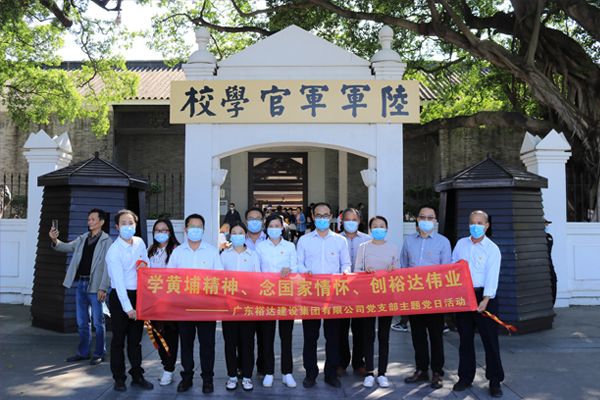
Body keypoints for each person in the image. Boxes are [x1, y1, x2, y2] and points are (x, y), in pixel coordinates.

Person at [297, 202, 351, 388]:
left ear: (331, 217)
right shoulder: (304, 240)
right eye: (318, 215)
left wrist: (345, 272)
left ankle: (331, 374)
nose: (322, 218)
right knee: (310, 337)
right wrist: (305, 271)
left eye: (325, 215)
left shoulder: (340, 240)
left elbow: (346, 264)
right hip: (310, 293)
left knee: (333, 336)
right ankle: (310, 374)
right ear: (312, 217)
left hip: (333, 293)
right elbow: (299, 263)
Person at [168, 213, 223, 394]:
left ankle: (208, 379)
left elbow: (219, 277)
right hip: (184, 308)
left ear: (203, 230)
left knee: (207, 345)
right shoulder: (178, 252)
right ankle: (187, 378)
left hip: (206, 307)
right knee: (186, 344)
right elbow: (169, 278)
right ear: (185, 229)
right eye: (192, 227)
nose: (195, 230)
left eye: (199, 227)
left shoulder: (211, 251)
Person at [452, 210, 504, 398]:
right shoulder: (461, 244)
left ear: (487, 226)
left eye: (480, 223)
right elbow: (453, 267)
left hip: (485, 297)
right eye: (473, 222)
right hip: (464, 295)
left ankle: (495, 380)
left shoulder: (492, 248)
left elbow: (492, 275)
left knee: (490, 340)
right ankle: (465, 377)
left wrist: (486, 299)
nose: (476, 226)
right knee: (465, 339)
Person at [49, 208, 112, 365]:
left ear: (101, 222)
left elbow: (108, 267)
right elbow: (66, 247)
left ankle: (99, 353)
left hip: (96, 286)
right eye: (88, 219)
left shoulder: (107, 241)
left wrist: (103, 288)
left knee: (98, 323)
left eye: (92, 219)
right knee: (82, 322)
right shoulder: (83, 238)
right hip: (81, 284)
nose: (89, 221)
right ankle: (83, 352)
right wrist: (55, 240)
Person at [401, 205, 451, 389]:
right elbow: (403, 267)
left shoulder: (443, 242)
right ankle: (421, 369)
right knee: (417, 335)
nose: (426, 220)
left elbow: (446, 271)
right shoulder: (408, 241)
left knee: (436, 336)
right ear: (417, 219)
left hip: (434, 298)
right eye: (423, 217)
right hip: (414, 297)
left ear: (435, 221)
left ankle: (437, 372)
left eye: (430, 218)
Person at [105, 209, 153, 392]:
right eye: (123, 223)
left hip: (138, 295)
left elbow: (146, 263)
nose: (128, 226)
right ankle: (119, 378)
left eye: (130, 223)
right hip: (120, 299)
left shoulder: (139, 242)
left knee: (135, 340)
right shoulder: (114, 251)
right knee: (118, 340)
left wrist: (144, 266)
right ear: (117, 227)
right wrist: (128, 308)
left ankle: (137, 375)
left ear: (135, 224)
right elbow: (118, 282)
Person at [356, 216, 399, 388]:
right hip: (367, 297)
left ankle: (382, 373)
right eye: (375, 226)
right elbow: (356, 270)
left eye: (382, 226)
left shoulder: (393, 247)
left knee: (384, 336)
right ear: (370, 229)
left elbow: (399, 271)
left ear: (386, 229)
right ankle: (369, 372)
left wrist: (393, 270)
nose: (379, 229)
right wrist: (364, 271)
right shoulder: (363, 247)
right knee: (368, 335)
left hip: (386, 297)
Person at [256, 214, 298, 389]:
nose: (274, 228)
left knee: (286, 336)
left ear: (282, 227)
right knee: (267, 336)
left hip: (286, 296)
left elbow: (296, 267)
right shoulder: (260, 247)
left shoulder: (290, 246)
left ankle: (287, 372)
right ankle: (269, 372)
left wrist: (290, 270)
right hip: (266, 296)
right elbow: (256, 271)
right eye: (270, 226)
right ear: (266, 228)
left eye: (277, 225)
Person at [220, 222, 260, 391]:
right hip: (228, 306)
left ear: (245, 235)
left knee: (247, 342)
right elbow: (219, 279)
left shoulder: (253, 255)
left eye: (240, 232)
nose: (237, 235)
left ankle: (247, 376)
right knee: (230, 342)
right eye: (234, 233)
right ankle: (232, 376)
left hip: (247, 306)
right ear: (230, 235)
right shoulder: (224, 255)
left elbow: (258, 279)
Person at [147, 218, 180, 386]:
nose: (161, 233)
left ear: (170, 232)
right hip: (153, 302)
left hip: (171, 302)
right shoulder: (150, 251)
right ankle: (165, 364)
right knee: (157, 335)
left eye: (164, 230)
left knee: (170, 336)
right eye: (157, 230)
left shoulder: (177, 250)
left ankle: (169, 369)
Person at [338, 208, 370, 377]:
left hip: (361, 290)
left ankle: (359, 362)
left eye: (354, 219)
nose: (351, 222)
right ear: (342, 221)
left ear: (359, 221)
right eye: (347, 219)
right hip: (340, 290)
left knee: (361, 329)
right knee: (340, 329)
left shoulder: (368, 240)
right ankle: (342, 362)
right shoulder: (335, 239)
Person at [545, 219, 558, 305]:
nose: (546, 226)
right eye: (545, 224)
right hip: (541, 265)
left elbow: (548, 247)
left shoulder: (549, 236)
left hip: (549, 264)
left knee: (553, 280)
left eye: (547, 224)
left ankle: (551, 305)